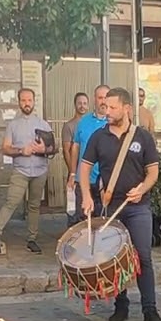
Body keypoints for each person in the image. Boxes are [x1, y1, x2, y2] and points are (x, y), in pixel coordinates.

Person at [80, 87, 161, 321]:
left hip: (138, 207)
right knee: (115, 258)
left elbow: (153, 172)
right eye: (106, 106)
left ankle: (150, 310)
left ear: (127, 109)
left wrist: (142, 188)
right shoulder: (99, 137)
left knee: (143, 257)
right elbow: (84, 168)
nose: (107, 111)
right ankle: (121, 305)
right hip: (111, 204)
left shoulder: (142, 137)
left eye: (113, 107)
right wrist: (87, 196)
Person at [0, 87, 51, 254]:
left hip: (40, 170)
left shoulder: (43, 124)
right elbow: (6, 148)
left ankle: (32, 238)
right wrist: (21, 151)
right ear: (19, 102)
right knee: (12, 202)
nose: (27, 103)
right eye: (23, 100)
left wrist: (43, 149)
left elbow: (53, 148)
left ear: (34, 101)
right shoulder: (13, 125)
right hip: (21, 170)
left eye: (29, 100)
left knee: (34, 205)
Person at [71, 85, 110, 224]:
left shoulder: (115, 123)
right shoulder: (83, 121)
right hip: (84, 180)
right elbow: (75, 147)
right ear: (95, 100)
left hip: (106, 182)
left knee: (103, 221)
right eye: (100, 98)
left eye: (106, 97)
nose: (103, 101)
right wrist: (72, 174)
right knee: (83, 220)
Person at [62, 91, 90, 223]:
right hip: (75, 171)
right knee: (73, 206)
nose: (82, 106)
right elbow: (67, 150)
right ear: (75, 105)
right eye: (80, 103)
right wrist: (72, 170)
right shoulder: (69, 126)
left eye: (85, 103)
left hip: (89, 171)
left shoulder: (91, 124)